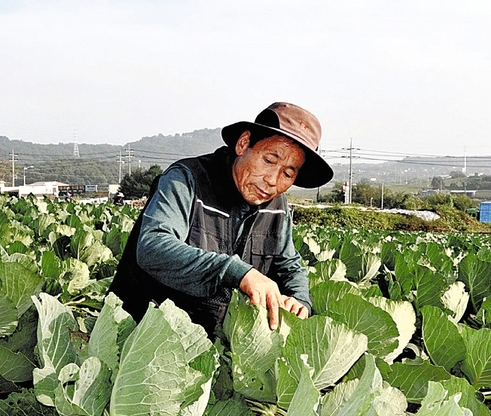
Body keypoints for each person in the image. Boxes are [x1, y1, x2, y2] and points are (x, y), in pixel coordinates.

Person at [109, 102, 334, 336]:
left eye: (288, 173)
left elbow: (289, 264)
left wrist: (300, 300)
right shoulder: (186, 180)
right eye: (269, 160)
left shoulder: (277, 205)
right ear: (243, 143)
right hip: (144, 334)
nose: (272, 180)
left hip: (216, 340)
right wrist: (238, 272)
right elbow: (153, 247)